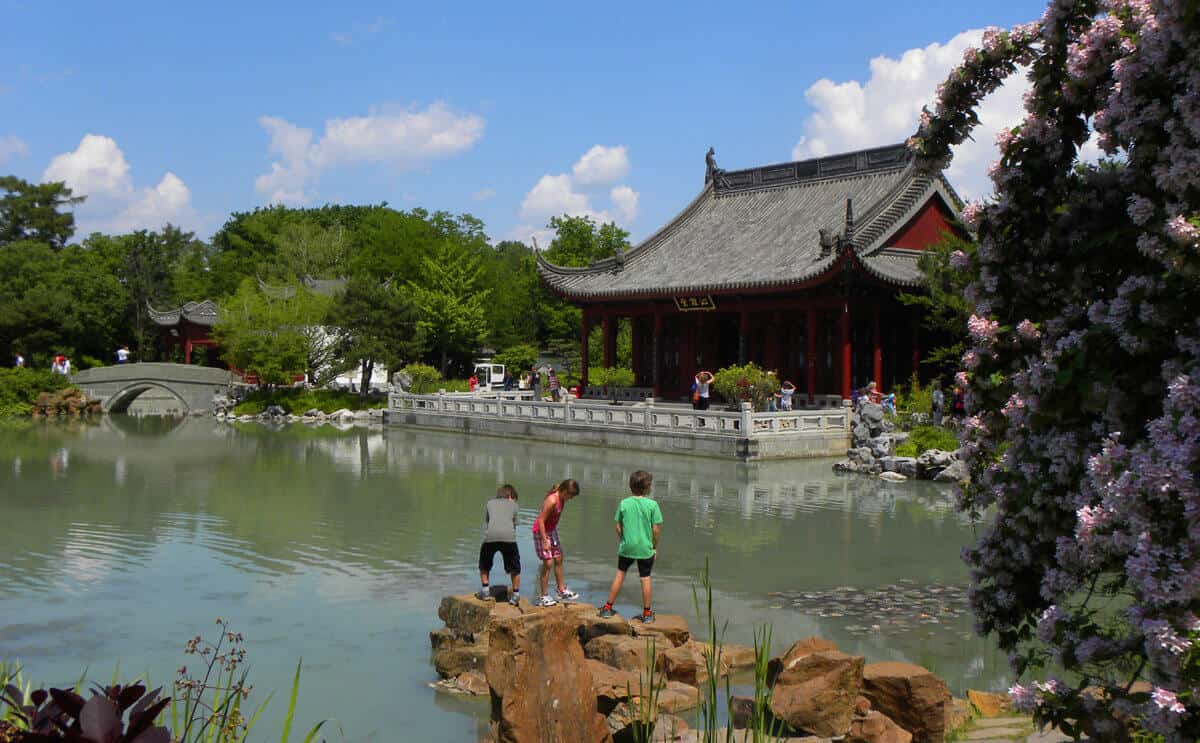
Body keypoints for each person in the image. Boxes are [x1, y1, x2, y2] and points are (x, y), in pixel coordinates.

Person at [599, 470, 663, 623]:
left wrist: (623, 539)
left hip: (627, 547)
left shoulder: (624, 503)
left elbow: (618, 526)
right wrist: (654, 547)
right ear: (648, 488)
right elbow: (656, 529)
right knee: (645, 578)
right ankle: (647, 614)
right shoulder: (653, 505)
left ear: (630, 486)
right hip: (645, 548)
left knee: (620, 575)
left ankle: (607, 608)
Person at [533, 479, 581, 606]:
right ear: (564, 491)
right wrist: (544, 540)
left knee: (559, 559)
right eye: (570, 495)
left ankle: (561, 590)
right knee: (548, 564)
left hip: (551, 531)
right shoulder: (552, 500)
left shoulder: (562, 498)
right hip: (541, 532)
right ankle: (543, 596)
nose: (571, 498)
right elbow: (541, 521)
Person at [477, 484, 522, 607]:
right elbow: (514, 524)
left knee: (484, 564)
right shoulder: (514, 505)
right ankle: (515, 595)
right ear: (509, 496)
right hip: (509, 538)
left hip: (490, 537)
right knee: (515, 567)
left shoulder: (489, 503)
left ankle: (485, 592)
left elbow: (488, 521)